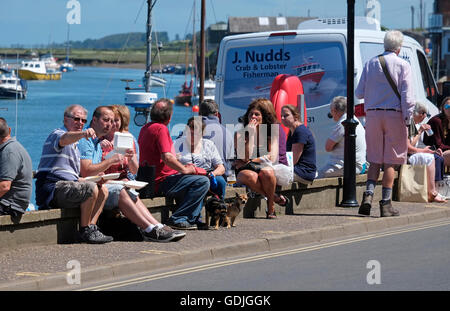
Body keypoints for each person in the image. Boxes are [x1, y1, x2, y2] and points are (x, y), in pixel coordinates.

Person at [78, 106, 185, 242]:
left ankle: (156, 226)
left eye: (115, 121)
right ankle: (149, 229)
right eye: (108, 120)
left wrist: (130, 156)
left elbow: (133, 170)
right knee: (123, 190)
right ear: (95, 120)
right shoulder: (97, 140)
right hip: (104, 184)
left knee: (128, 190)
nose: (112, 124)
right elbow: (89, 171)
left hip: (114, 182)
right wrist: (111, 160)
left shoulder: (124, 139)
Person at [355, 30, 415, 217]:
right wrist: (408, 120)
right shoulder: (403, 65)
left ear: (384, 44)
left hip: (372, 115)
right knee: (391, 161)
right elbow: (408, 98)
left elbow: (359, 93)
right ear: (399, 47)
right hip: (394, 115)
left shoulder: (371, 63)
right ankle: (385, 204)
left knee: (374, 159)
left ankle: (367, 196)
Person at [34, 105, 112, 244]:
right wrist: (83, 134)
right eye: (76, 119)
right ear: (66, 119)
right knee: (90, 188)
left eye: (83, 120)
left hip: (66, 184)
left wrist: (97, 179)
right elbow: (64, 139)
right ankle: (84, 230)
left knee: (102, 190)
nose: (80, 123)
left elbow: (73, 178)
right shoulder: (57, 134)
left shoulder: (75, 146)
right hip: (52, 188)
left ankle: (91, 227)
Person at [138, 98, 210, 230]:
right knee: (202, 181)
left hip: (150, 179)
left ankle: (191, 218)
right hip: (161, 181)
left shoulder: (145, 128)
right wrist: (184, 169)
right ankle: (179, 219)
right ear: (169, 117)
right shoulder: (161, 129)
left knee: (192, 181)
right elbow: (167, 157)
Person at [234, 98, 289, 219]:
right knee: (250, 176)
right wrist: (251, 134)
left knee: (267, 173)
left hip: (262, 166)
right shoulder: (240, 134)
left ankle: (270, 209)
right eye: (250, 114)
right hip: (245, 170)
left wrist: (251, 161)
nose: (253, 117)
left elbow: (272, 156)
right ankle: (273, 198)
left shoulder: (271, 132)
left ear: (263, 117)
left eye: (257, 114)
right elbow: (245, 156)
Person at [174, 117, 226, 200]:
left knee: (221, 181)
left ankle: (219, 206)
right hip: (187, 176)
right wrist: (175, 160)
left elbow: (221, 167)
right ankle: (196, 212)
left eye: (195, 135)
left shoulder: (208, 144)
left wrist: (213, 174)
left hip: (206, 174)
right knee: (199, 183)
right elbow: (170, 163)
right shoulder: (177, 144)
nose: (192, 137)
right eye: (189, 133)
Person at [318, 96, 366, 178]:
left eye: (332, 110)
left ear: (335, 111)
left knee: (317, 176)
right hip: (358, 164)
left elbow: (328, 147)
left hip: (347, 166)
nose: (331, 113)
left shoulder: (343, 123)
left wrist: (335, 145)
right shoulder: (355, 120)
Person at [407, 102, 446, 203]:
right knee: (434, 158)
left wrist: (433, 150)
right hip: (409, 155)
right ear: (421, 113)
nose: (425, 118)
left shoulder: (416, 124)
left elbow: (419, 145)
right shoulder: (410, 123)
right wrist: (420, 131)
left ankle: (437, 189)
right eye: (426, 115)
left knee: (439, 156)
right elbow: (410, 146)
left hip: (415, 152)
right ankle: (433, 192)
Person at [0, 118, 32, 218]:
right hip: (13, 203)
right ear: (9, 130)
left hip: (11, 205)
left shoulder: (9, 152)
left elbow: (4, 186)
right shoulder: (14, 147)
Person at [280, 104, 317, 184]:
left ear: (295, 116)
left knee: (270, 174)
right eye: (281, 116)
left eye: (286, 115)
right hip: (296, 170)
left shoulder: (300, 131)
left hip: (303, 172)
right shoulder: (292, 131)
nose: (282, 118)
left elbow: (293, 160)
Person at [199, 99, 234, 179]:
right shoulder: (227, 132)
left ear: (199, 114)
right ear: (217, 114)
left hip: (201, 177)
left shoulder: (192, 131)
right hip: (223, 177)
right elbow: (231, 161)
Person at [423, 96, 450, 166]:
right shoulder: (436, 121)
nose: (449, 108)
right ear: (443, 108)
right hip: (433, 152)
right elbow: (438, 144)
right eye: (447, 106)